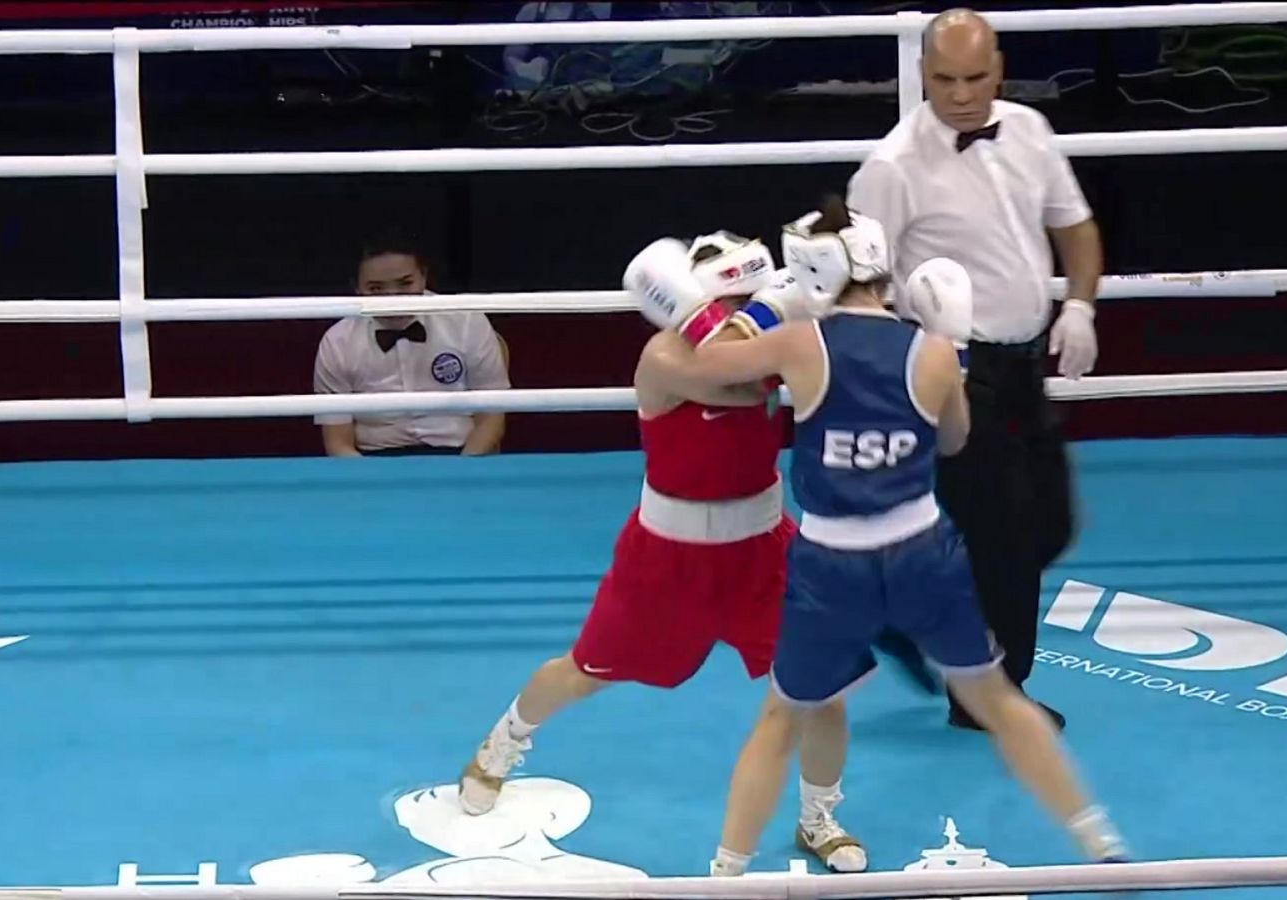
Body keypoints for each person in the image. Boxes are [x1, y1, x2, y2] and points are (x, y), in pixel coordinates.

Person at [633, 197, 1127, 873]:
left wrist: (734, 310)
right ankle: (1098, 837)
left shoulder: (799, 344)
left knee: (782, 719)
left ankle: (724, 874)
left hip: (832, 565)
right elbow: (953, 442)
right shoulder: (929, 351)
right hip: (924, 553)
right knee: (997, 701)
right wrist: (946, 352)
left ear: (811, 273)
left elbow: (701, 368)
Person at [457, 231, 837, 838]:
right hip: (666, 559)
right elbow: (733, 382)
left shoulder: (778, 343)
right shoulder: (664, 357)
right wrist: (781, 312)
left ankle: (819, 818)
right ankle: (501, 744)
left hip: (764, 551)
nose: (744, 318)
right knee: (584, 671)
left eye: (752, 301)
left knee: (821, 686)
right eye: (733, 306)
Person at [845, 8, 1103, 731]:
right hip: (957, 372)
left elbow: (1073, 224)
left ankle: (899, 608)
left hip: (1025, 364)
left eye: (975, 77)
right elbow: (856, 289)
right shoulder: (892, 169)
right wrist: (916, 370)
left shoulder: (1028, 130)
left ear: (1001, 67)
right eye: (944, 80)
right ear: (923, 75)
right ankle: (987, 694)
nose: (960, 94)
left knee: (1052, 524)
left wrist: (1079, 306)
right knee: (1004, 537)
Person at [312, 238, 511, 457]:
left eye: (405, 284)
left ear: (424, 277)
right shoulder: (337, 342)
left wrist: (461, 474)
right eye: (376, 288)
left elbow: (492, 419)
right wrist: (374, 484)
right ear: (356, 287)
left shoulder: (466, 320)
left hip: (462, 454)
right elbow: (338, 443)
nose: (392, 299)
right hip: (372, 462)